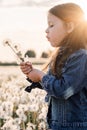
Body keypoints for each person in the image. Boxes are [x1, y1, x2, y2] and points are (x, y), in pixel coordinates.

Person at [20, 2, 87, 130]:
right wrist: (33, 74)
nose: (46, 30)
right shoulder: (60, 55)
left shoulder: (81, 57)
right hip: (57, 125)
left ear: (70, 27)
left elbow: (64, 90)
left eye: (51, 25)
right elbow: (53, 85)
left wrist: (41, 76)